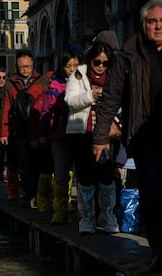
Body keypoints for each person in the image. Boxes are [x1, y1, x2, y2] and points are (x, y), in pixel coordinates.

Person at [93, 0, 162, 271]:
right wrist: (100, 137)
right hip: (145, 138)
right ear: (143, 24)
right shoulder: (128, 53)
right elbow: (110, 97)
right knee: (153, 195)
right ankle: (158, 249)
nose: (158, 27)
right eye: (152, 22)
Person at [65, 38, 119, 235]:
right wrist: (90, 97)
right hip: (82, 133)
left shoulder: (114, 76)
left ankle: (106, 216)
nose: (101, 67)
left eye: (105, 63)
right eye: (97, 62)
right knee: (85, 177)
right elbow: (69, 100)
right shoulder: (78, 75)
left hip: (105, 134)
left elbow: (120, 102)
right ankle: (87, 219)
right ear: (91, 60)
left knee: (106, 177)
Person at [0, 49, 48, 205]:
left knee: (40, 163)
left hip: (39, 127)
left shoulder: (42, 81)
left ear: (32, 64)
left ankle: (40, 196)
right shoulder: (10, 84)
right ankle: (29, 195)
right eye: (22, 67)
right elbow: (6, 108)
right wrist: (4, 132)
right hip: (20, 129)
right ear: (17, 66)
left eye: (27, 66)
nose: (25, 70)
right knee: (25, 164)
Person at [39, 49, 80, 223]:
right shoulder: (55, 85)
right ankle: (60, 210)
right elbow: (46, 110)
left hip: (80, 135)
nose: (72, 69)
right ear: (62, 68)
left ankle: (82, 213)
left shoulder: (84, 83)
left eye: (75, 65)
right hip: (60, 135)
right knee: (61, 173)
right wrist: (43, 132)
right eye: (68, 66)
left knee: (81, 175)